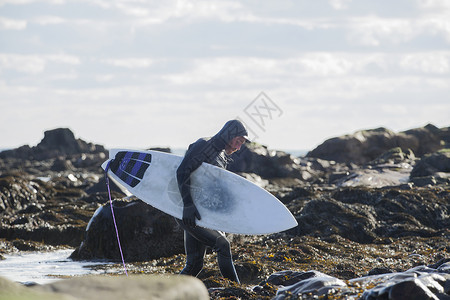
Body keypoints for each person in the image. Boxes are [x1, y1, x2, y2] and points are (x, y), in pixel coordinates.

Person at [175, 119, 248, 283]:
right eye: (238, 141)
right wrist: (188, 205)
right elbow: (182, 171)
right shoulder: (204, 145)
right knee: (223, 245)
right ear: (229, 134)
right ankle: (236, 291)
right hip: (187, 211)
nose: (238, 147)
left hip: (200, 213)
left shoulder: (221, 155)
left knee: (194, 265)